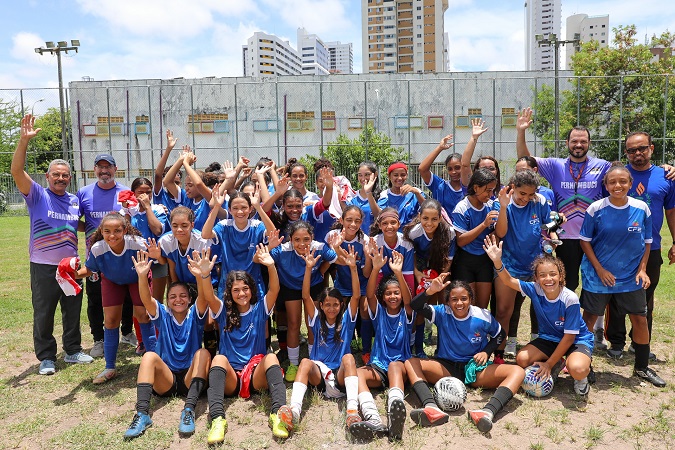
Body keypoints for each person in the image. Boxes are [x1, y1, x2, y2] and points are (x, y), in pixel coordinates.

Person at [11, 114, 93, 375]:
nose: (60, 178)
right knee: (44, 313)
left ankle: (72, 350)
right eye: (56, 175)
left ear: (70, 178)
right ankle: (46, 357)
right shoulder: (36, 195)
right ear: (47, 176)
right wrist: (24, 141)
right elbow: (16, 170)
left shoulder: (73, 201)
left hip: (70, 266)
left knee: (72, 309)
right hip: (43, 266)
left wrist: (98, 229)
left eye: (65, 175)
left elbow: (74, 225)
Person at [578, 165, 666, 387]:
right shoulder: (596, 209)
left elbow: (647, 242)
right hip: (599, 275)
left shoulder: (641, 208)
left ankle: (642, 368)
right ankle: (584, 365)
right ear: (606, 185)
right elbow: (584, 241)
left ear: (629, 183)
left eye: (623, 182)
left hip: (630, 276)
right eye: (612, 182)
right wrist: (599, 269)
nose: (617, 186)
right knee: (589, 319)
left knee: (640, 319)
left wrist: (642, 269)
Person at [407, 276, 524, 432]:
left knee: (518, 371)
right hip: (446, 369)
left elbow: (500, 334)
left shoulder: (482, 315)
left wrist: (486, 351)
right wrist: (431, 291)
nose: (459, 303)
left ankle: (487, 412)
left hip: (475, 369)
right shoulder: (443, 312)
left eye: (464, 299)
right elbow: (415, 305)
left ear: (471, 299)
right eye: (454, 299)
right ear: (447, 301)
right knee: (410, 362)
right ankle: (431, 407)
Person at [484, 235, 594, 396]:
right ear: (536, 278)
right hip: (549, 338)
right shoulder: (535, 288)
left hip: (575, 340)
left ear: (561, 276)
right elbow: (508, 281)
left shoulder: (570, 298)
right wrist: (497, 261)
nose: (548, 279)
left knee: (577, 369)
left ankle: (581, 373)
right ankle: (558, 363)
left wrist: (548, 364)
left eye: (552, 274)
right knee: (521, 359)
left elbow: (569, 338)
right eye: (542, 275)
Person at [201, 244, 289, 443]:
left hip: (255, 375)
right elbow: (208, 296)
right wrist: (205, 275)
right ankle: (217, 420)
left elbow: (275, 288)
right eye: (236, 290)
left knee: (272, 357)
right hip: (231, 377)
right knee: (219, 358)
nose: (241, 293)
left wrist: (271, 266)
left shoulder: (260, 309)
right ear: (230, 293)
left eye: (245, 289)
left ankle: (278, 415)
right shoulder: (223, 311)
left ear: (251, 289)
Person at [123, 250, 210, 439]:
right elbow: (146, 299)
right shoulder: (162, 314)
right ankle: (142, 414)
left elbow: (204, 298)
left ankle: (188, 410)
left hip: (190, 378)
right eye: (172, 296)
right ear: (167, 301)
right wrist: (141, 276)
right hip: (166, 380)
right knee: (148, 356)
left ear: (189, 299)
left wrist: (202, 276)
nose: (178, 299)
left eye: (182, 296)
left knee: (203, 353)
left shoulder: (195, 315)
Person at [276, 244, 362, 433]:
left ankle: (352, 411)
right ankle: (294, 412)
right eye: (327, 304)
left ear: (341, 305)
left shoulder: (347, 320)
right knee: (305, 361)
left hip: (340, 377)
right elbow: (305, 295)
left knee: (349, 358)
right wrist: (308, 269)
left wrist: (353, 269)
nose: (332, 308)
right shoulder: (315, 319)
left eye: (336, 305)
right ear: (321, 305)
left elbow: (356, 296)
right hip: (319, 380)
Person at [605, 132, 675, 359]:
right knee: (615, 296)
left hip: (650, 248)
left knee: (646, 296)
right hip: (617, 248)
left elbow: (671, 212)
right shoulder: (618, 175)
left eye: (642, 148)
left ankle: (639, 343)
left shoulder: (666, 177)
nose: (637, 153)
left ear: (651, 148)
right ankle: (616, 342)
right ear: (626, 152)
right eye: (632, 150)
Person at [75, 213, 157, 384]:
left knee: (143, 315)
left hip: (137, 279)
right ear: (101, 231)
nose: (112, 235)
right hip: (112, 280)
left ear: (125, 230)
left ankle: (154, 364)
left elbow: (154, 261)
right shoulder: (97, 248)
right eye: (107, 231)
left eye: (117, 231)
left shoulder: (137, 244)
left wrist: (155, 255)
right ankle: (110, 367)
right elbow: (89, 269)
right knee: (111, 320)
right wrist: (72, 274)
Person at [348, 249, 412, 443]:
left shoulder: (407, 313)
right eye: (388, 294)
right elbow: (369, 295)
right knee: (358, 373)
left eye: (396, 293)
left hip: (399, 367)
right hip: (378, 366)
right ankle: (373, 419)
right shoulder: (379, 313)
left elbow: (409, 300)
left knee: (394, 366)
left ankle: (395, 418)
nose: (393, 297)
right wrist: (375, 268)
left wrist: (399, 274)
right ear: (383, 297)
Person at [492, 171, 557, 362]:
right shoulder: (501, 203)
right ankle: (499, 356)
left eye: (530, 194)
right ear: (513, 187)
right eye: (522, 194)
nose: (526, 199)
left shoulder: (540, 202)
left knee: (544, 309)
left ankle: (545, 353)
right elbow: (501, 232)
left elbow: (548, 226)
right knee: (504, 311)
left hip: (536, 264)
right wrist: (504, 207)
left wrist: (553, 239)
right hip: (509, 265)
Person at [77, 152, 136, 357]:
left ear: (115, 169)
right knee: (94, 298)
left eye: (108, 167)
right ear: (94, 170)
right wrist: (92, 231)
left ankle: (127, 332)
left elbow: (134, 220)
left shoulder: (126, 192)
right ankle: (98, 339)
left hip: (123, 255)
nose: (104, 171)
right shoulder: (84, 193)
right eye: (100, 167)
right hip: (96, 256)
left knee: (127, 295)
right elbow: (75, 219)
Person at [269, 221, 338, 382]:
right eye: (297, 239)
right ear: (290, 239)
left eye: (306, 239)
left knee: (312, 323)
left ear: (312, 238)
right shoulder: (283, 250)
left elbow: (333, 258)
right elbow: (261, 259)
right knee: (293, 323)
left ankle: (315, 361)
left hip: (313, 285)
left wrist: (321, 270)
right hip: (290, 286)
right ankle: (293, 364)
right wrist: (271, 247)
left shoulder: (318, 247)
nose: (302, 244)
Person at [403, 198, 455, 356]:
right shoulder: (413, 232)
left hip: (438, 265)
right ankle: (418, 347)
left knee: (441, 305)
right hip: (418, 266)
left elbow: (448, 259)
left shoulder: (449, 232)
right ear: (419, 216)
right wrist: (417, 272)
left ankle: (442, 346)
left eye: (434, 219)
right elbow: (408, 254)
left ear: (440, 218)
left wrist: (440, 277)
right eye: (425, 218)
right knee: (419, 305)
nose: (429, 223)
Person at [451, 168, 500, 309]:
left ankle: (481, 332)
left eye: (492, 191)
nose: (490, 195)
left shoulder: (491, 206)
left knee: (483, 307)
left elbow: (499, 230)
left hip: (484, 260)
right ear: (476, 187)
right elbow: (460, 241)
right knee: (468, 306)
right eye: (487, 190)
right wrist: (484, 225)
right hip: (465, 261)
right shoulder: (462, 208)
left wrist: (495, 233)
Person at [419, 135, 465, 214]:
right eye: (450, 169)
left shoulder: (471, 187)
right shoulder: (440, 186)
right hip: (443, 226)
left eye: (457, 168)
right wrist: (440, 148)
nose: (453, 172)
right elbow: (422, 169)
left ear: (463, 167)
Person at [377, 162, 425, 231]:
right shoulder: (385, 195)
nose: (399, 178)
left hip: (412, 236)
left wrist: (416, 193)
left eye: (403, 175)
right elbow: (379, 215)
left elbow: (427, 208)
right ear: (389, 176)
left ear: (407, 175)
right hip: (392, 236)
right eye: (395, 175)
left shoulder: (415, 192)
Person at [347, 162, 382, 234]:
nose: (363, 178)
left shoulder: (382, 196)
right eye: (360, 175)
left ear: (375, 175)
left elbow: (380, 216)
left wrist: (368, 192)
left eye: (367, 175)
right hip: (358, 240)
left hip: (375, 241)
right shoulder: (353, 197)